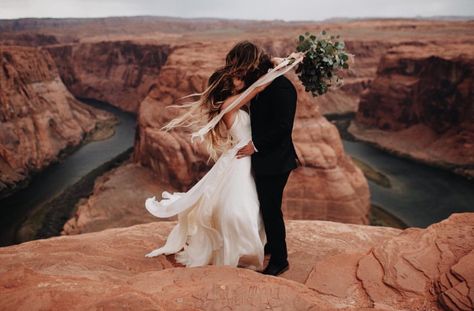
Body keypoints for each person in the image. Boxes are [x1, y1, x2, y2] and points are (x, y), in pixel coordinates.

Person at [227, 41, 300, 276]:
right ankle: (270, 244)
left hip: (277, 161)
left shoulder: (282, 89)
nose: (237, 71)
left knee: (271, 209)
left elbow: (282, 128)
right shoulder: (261, 81)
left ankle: (280, 260)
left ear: (249, 63)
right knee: (264, 206)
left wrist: (254, 146)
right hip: (264, 159)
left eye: (239, 65)